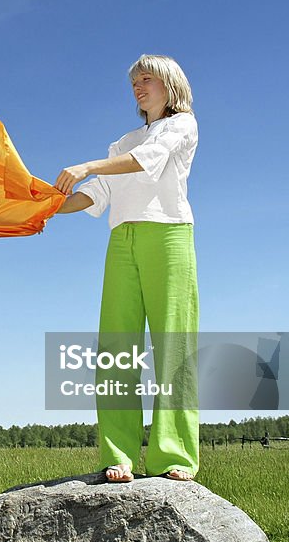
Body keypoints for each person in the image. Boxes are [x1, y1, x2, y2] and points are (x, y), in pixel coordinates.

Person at [54, 54, 199, 483]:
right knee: (117, 347)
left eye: (147, 79)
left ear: (170, 84)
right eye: (134, 81)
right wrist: (40, 210)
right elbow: (94, 195)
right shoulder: (123, 140)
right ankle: (118, 455)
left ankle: (173, 455)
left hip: (168, 236)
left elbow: (146, 158)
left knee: (173, 345)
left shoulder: (182, 124)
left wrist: (85, 165)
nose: (138, 86)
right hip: (122, 240)